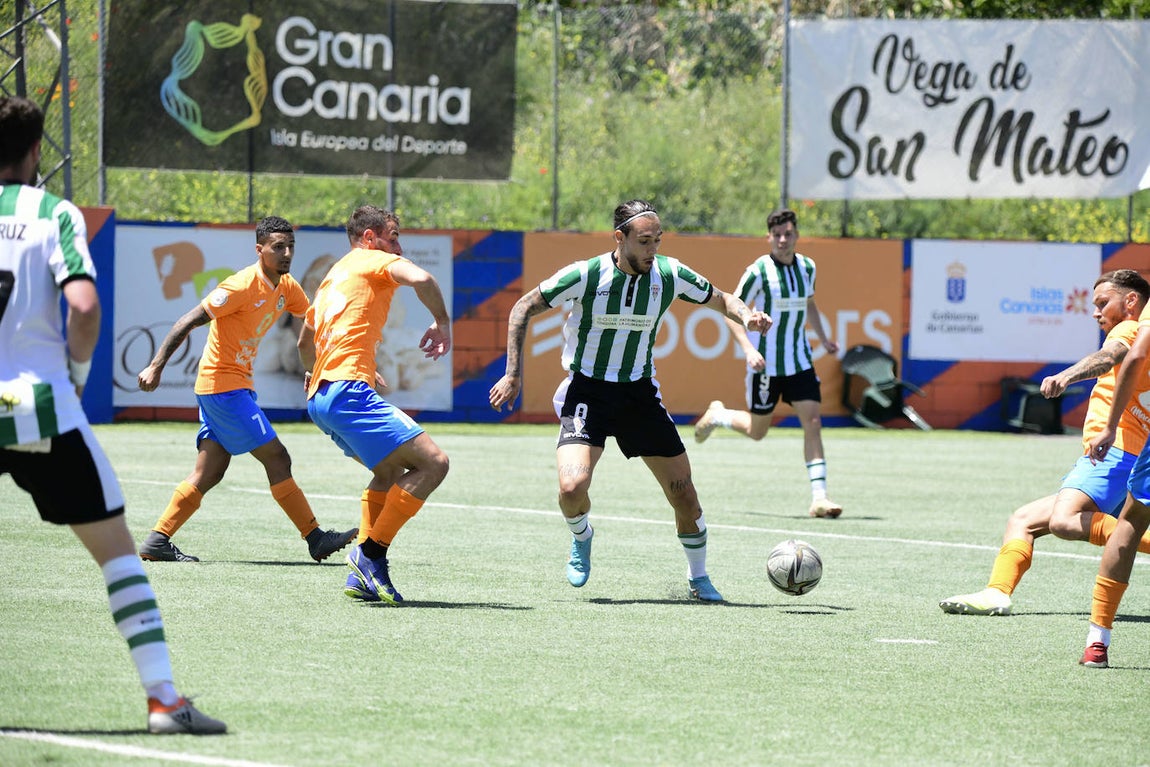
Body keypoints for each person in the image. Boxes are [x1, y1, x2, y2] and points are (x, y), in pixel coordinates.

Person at [0, 96, 225, 734]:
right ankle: (163, 702)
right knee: (121, 557)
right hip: (39, 408)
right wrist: (72, 374)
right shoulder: (53, 213)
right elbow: (85, 307)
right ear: (37, 151)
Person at [488, 199, 770, 602]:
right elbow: (522, 307)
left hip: (639, 394)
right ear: (619, 238)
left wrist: (747, 316)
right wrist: (514, 373)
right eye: (643, 241)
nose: (652, 249)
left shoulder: (669, 274)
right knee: (572, 488)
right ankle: (582, 537)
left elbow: (723, 299)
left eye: (657, 240)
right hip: (586, 391)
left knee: (684, 495)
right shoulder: (585, 275)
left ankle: (699, 579)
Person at [136, 215, 357, 563]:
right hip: (222, 387)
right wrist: (156, 365)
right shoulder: (239, 286)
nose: (286, 254)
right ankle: (315, 537)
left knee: (210, 470)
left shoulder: (287, 287)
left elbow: (313, 327)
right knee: (277, 457)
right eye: (278, 247)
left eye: (290, 247)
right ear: (260, 250)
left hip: (233, 387)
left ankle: (157, 540)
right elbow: (189, 320)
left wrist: (322, 366)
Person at [939, 270, 1150, 617]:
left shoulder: (1128, 328)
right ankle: (997, 593)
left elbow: (1109, 356)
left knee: (1065, 521)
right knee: (1023, 519)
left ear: (1131, 301)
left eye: (1102, 303)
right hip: (1128, 456)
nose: (1096, 312)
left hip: (1117, 454)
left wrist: (1066, 375)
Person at [297, 205, 452, 604]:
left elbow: (304, 342)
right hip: (347, 392)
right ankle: (370, 554)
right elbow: (423, 278)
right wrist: (442, 323)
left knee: (387, 472)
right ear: (369, 238)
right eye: (393, 236)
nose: (398, 246)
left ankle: (361, 579)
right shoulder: (374, 260)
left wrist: (333, 370)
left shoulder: (332, 275)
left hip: (322, 396)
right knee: (434, 463)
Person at [692, 208, 843, 518]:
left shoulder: (807, 268)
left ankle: (819, 498)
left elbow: (809, 304)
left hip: (799, 361)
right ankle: (718, 415)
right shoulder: (759, 270)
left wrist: (824, 338)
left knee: (813, 421)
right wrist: (749, 349)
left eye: (788, 234)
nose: (783, 240)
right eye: (777, 235)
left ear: (797, 235)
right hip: (766, 366)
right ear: (769, 237)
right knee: (758, 431)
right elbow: (732, 310)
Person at [1079, 277, 1150, 667]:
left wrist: (1108, 426)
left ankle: (1097, 640)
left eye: (1102, 303)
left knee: (1129, 524)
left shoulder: (1137, 321)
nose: (1095, 313)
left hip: (1129, 447)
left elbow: (1133, 357)